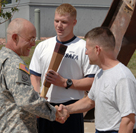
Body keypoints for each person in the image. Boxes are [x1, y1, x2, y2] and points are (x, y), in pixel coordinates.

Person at [0, 18, 68, 133]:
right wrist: (54, 112)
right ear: (15, 37)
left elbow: (12, 99)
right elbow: (26, 100)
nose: (33, 43)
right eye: (30, 39)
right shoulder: (14, 64)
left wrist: (37, 108)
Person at [29, 3, 99, 133]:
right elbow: (35, 75)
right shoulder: (43, 46)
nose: (59, 25)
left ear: (74, 22)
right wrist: (38, 95)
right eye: (56, 21)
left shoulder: (83, 47)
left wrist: (65, 82)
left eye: (64, 22)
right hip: (45, 107)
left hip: (70, 109)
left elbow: (92, 82)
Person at [58, 27, 136, 133]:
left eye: (87, 49)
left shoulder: (123, 78)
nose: (86, 53)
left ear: (97, 49)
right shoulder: (100, 73)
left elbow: (128, 121)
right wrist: (66, 109)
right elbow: (90, 101)